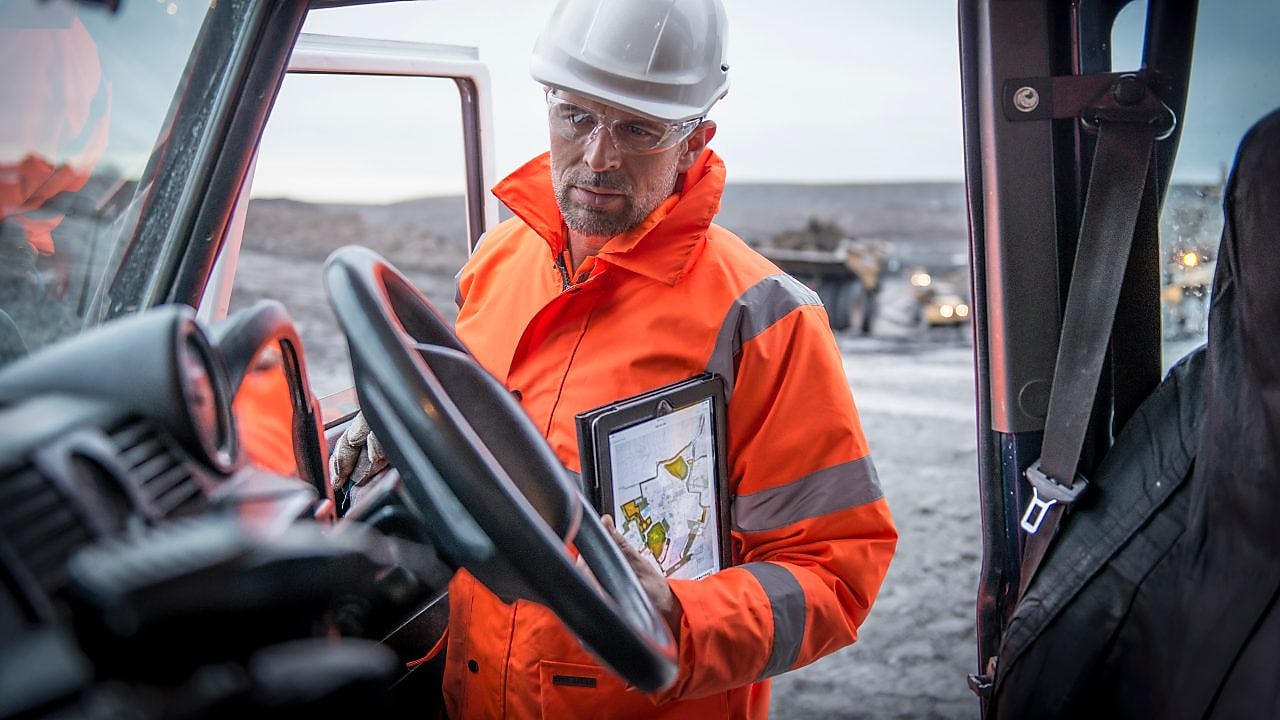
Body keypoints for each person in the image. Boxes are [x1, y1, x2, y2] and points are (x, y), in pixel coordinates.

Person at [331, 0, 897, 716]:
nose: (599, 157)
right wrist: (406, 431)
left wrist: (677, 613)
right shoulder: (495, 262)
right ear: (548, 107)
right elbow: (489, 456)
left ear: (694, 142)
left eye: (640, 128)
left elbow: (836, 576)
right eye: (577, 117)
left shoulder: (762, 317)